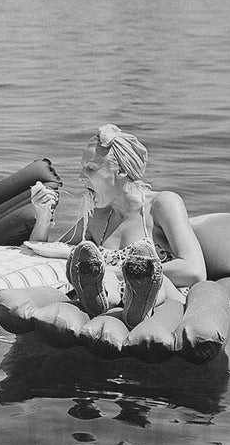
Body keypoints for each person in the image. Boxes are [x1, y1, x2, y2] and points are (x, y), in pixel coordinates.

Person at [27, 123, 208, 329]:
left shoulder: (161, 205)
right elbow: (47, 252)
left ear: (121, 170)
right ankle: (100, 299)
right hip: (114, 300)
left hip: (163, 300)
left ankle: (131, 298)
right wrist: (43, 214)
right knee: (103, 282)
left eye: (91, 169)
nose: (80, 177)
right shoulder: (97, 216)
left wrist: (114, 272)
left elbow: (194, 271)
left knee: (150, 280)